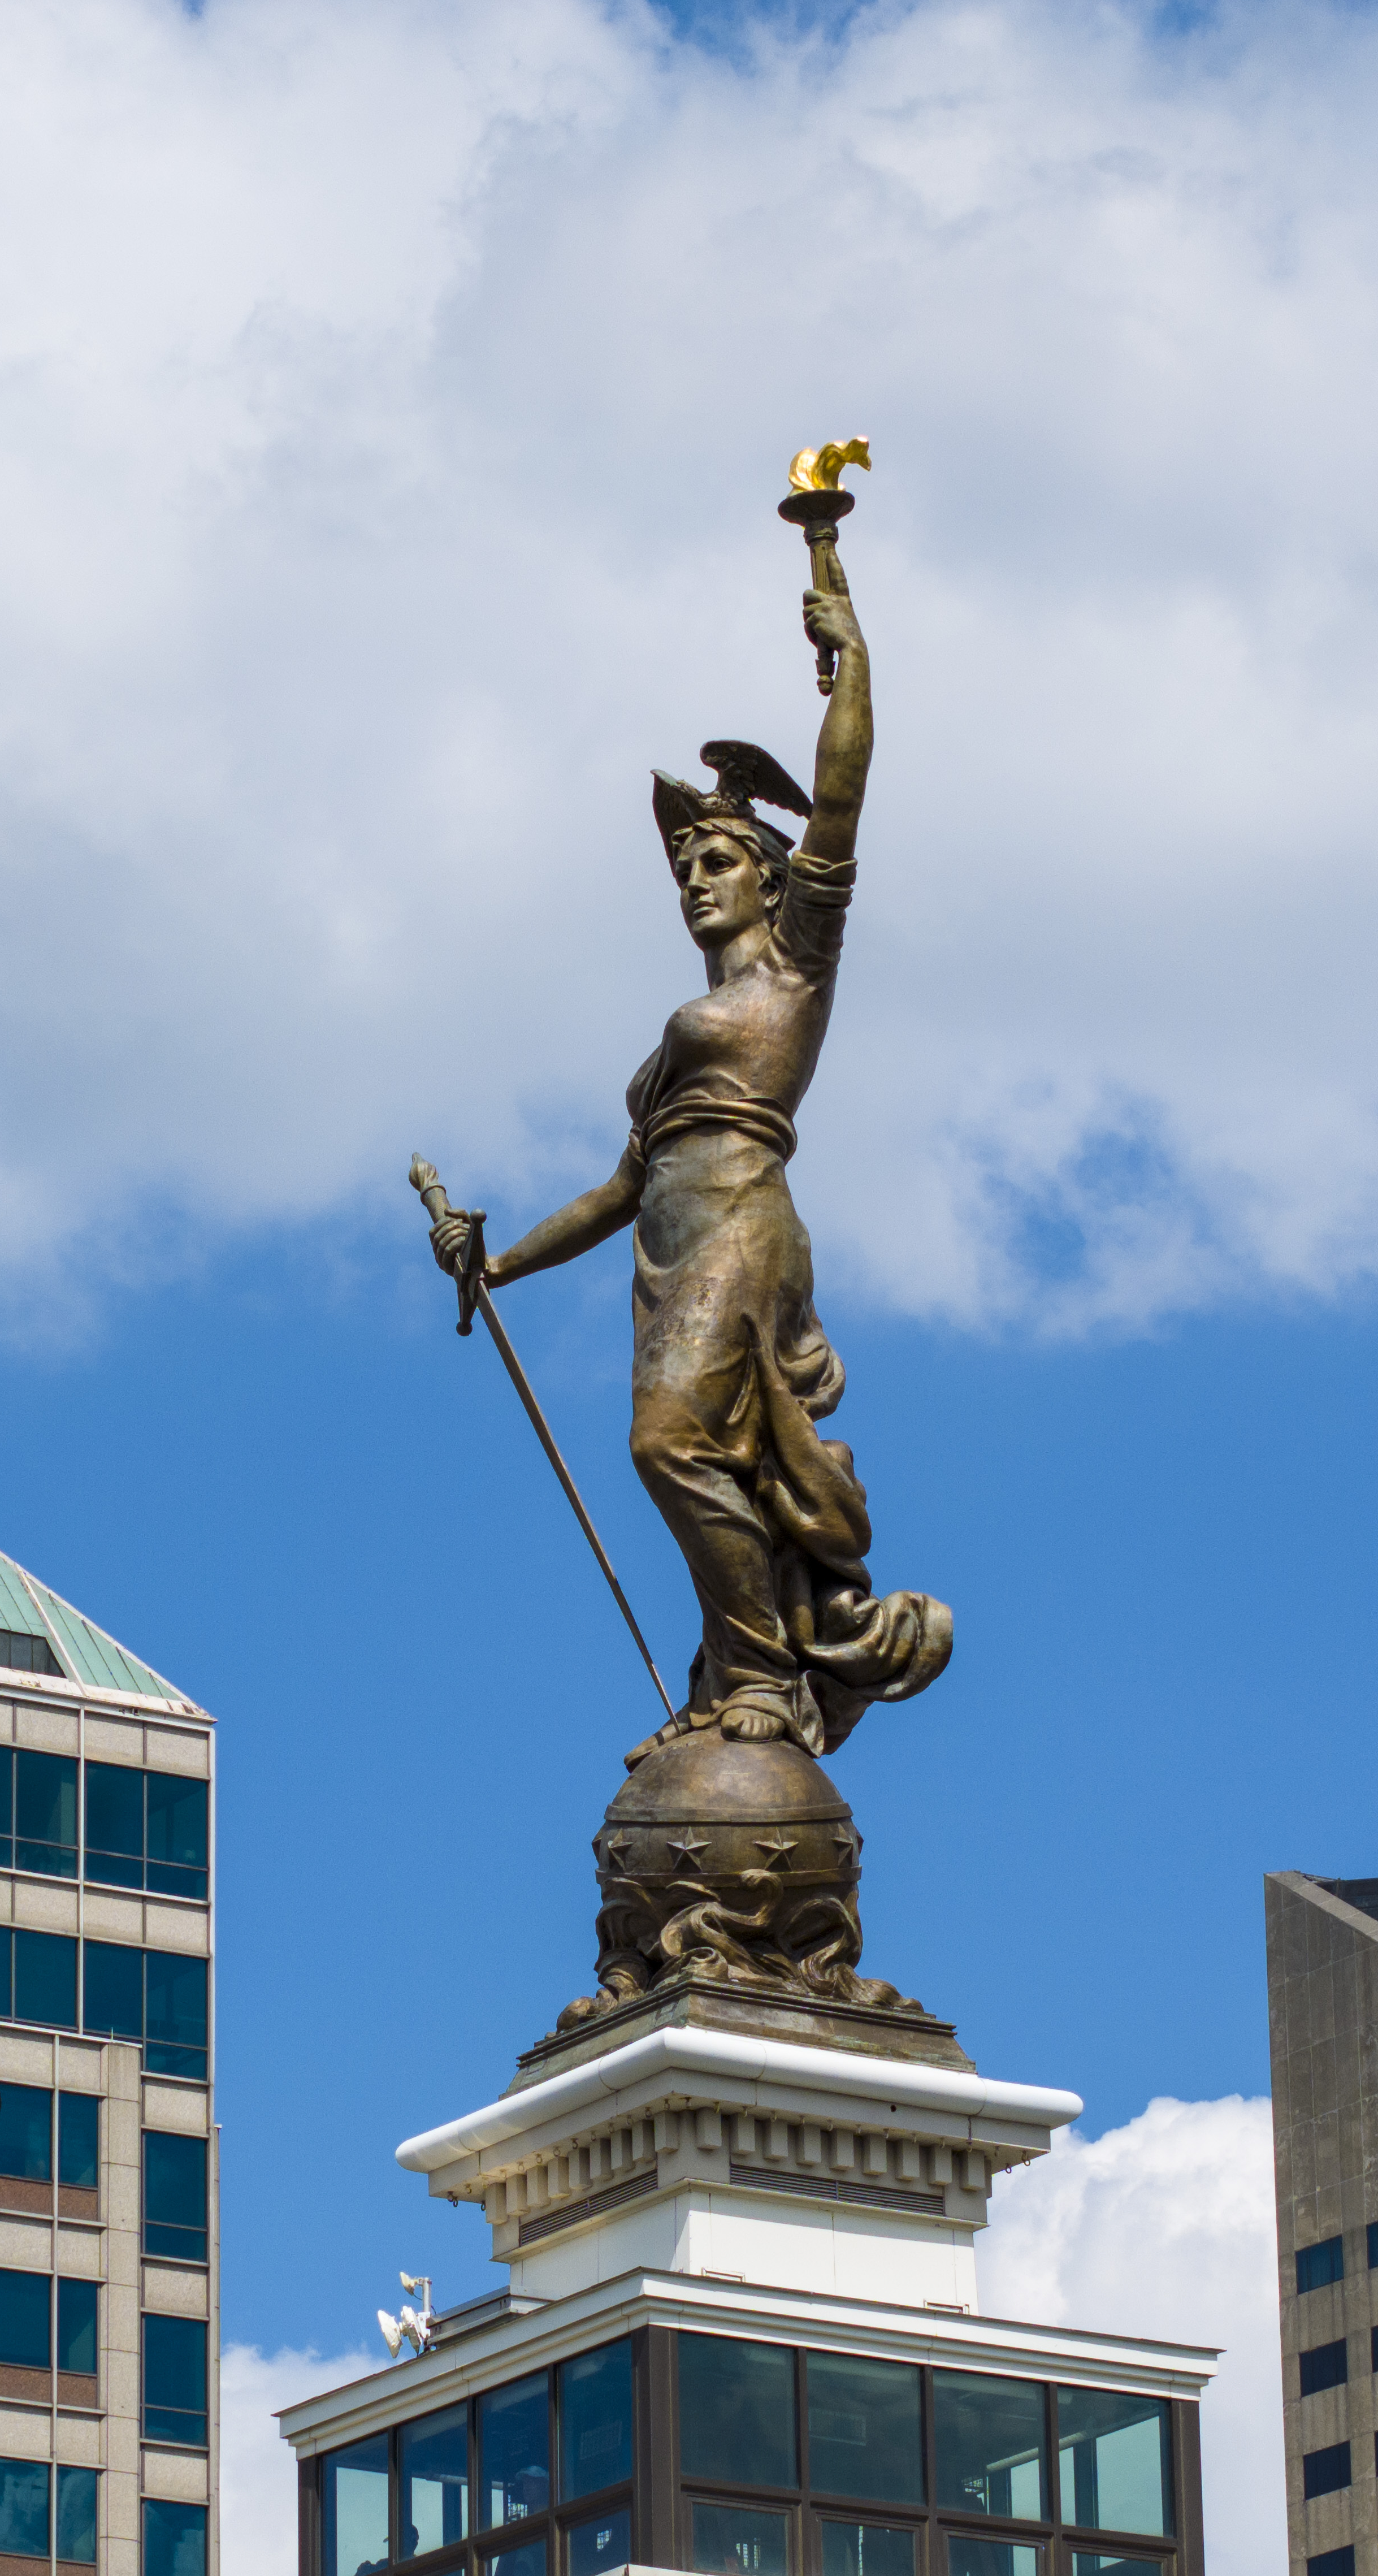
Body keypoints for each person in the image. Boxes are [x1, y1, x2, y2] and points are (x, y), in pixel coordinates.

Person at [430, 543, 951, 1760]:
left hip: (743, 1231)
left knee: (668, 1443)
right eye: (684, 868)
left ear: (771, 881)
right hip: (667, 1251)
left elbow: (841, 799)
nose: (695, 882)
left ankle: (761, 1677)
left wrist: (852, 660)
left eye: (718, 861)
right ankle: (733, 1678)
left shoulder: (793, 971)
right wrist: (494, 1264)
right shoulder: (673, 1048)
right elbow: (620, 1189)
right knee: (708, 1457)